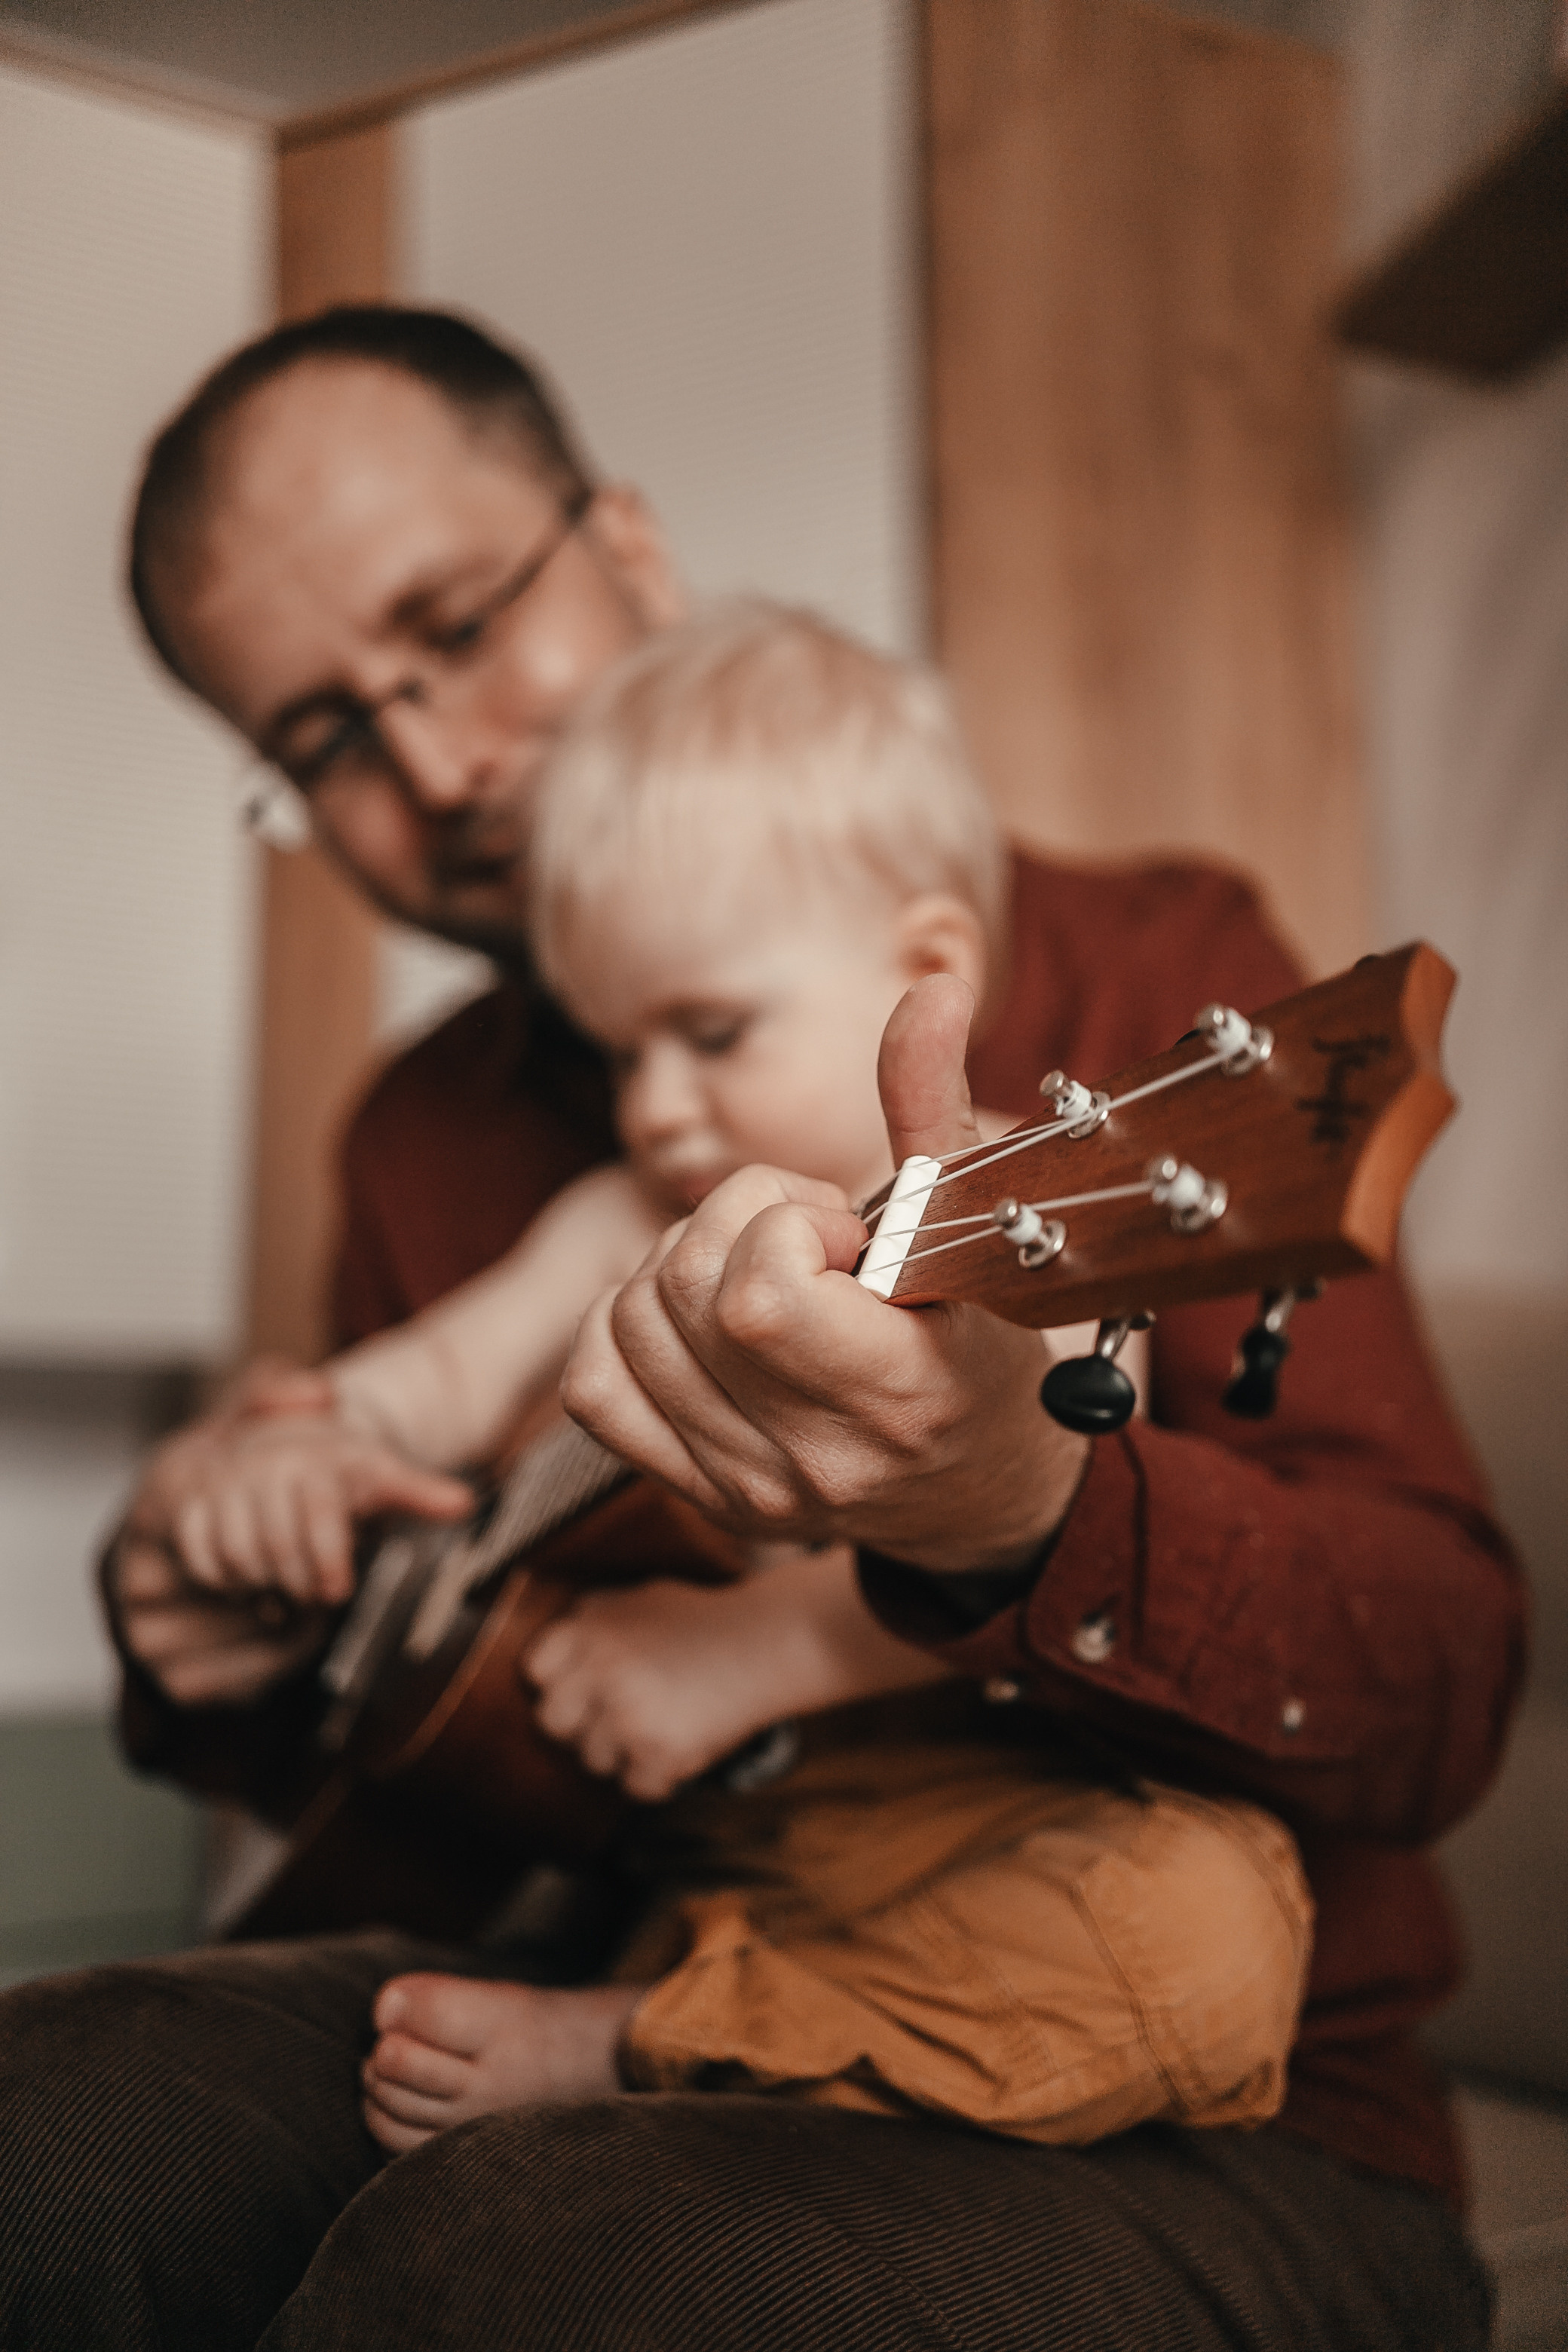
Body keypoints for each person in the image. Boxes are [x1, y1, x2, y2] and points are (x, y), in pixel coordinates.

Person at [0, 306, 1517, 2351]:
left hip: (1214, 2099)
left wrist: (1010, 1511)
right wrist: (216, 1615)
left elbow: (1440, 1682)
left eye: (451, 626)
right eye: (326, 742)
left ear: (622, 539)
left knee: (530, 2268)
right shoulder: (434, 1130)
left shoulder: (1169, 987)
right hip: (627, 1938)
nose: (437, 766)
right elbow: (442, 1747)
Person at [155, 600, 1311, 2159]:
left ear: (922, 968)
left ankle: (644, 2044)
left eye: (708, 1030)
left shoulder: (1015, 1227)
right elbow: (421, 1386)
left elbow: (1076, 1530)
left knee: (1214, 1930)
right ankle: (681, 2014)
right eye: (619, 1048)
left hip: (945, 1838)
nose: (652, 1107)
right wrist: (311, 1446)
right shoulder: (619, 1216)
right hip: (651, 1851)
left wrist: (755, 1650)